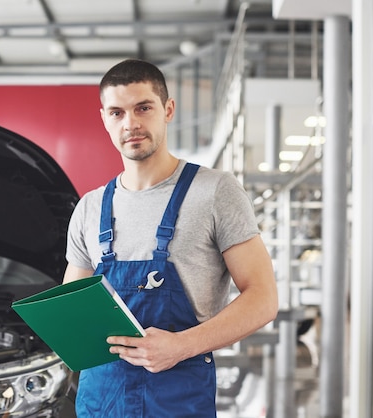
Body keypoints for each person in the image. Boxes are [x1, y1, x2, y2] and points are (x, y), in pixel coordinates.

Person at [62, 59, 278, 417]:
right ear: (104, 119)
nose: (130, 123)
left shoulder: (214, 192)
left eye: (143, 108)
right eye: (117, 112)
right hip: (102, 401)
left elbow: (263, 298)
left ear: (168, 109)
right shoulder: (90, 207)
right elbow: (72, 309)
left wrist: (181, 345)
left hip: (177, 399)